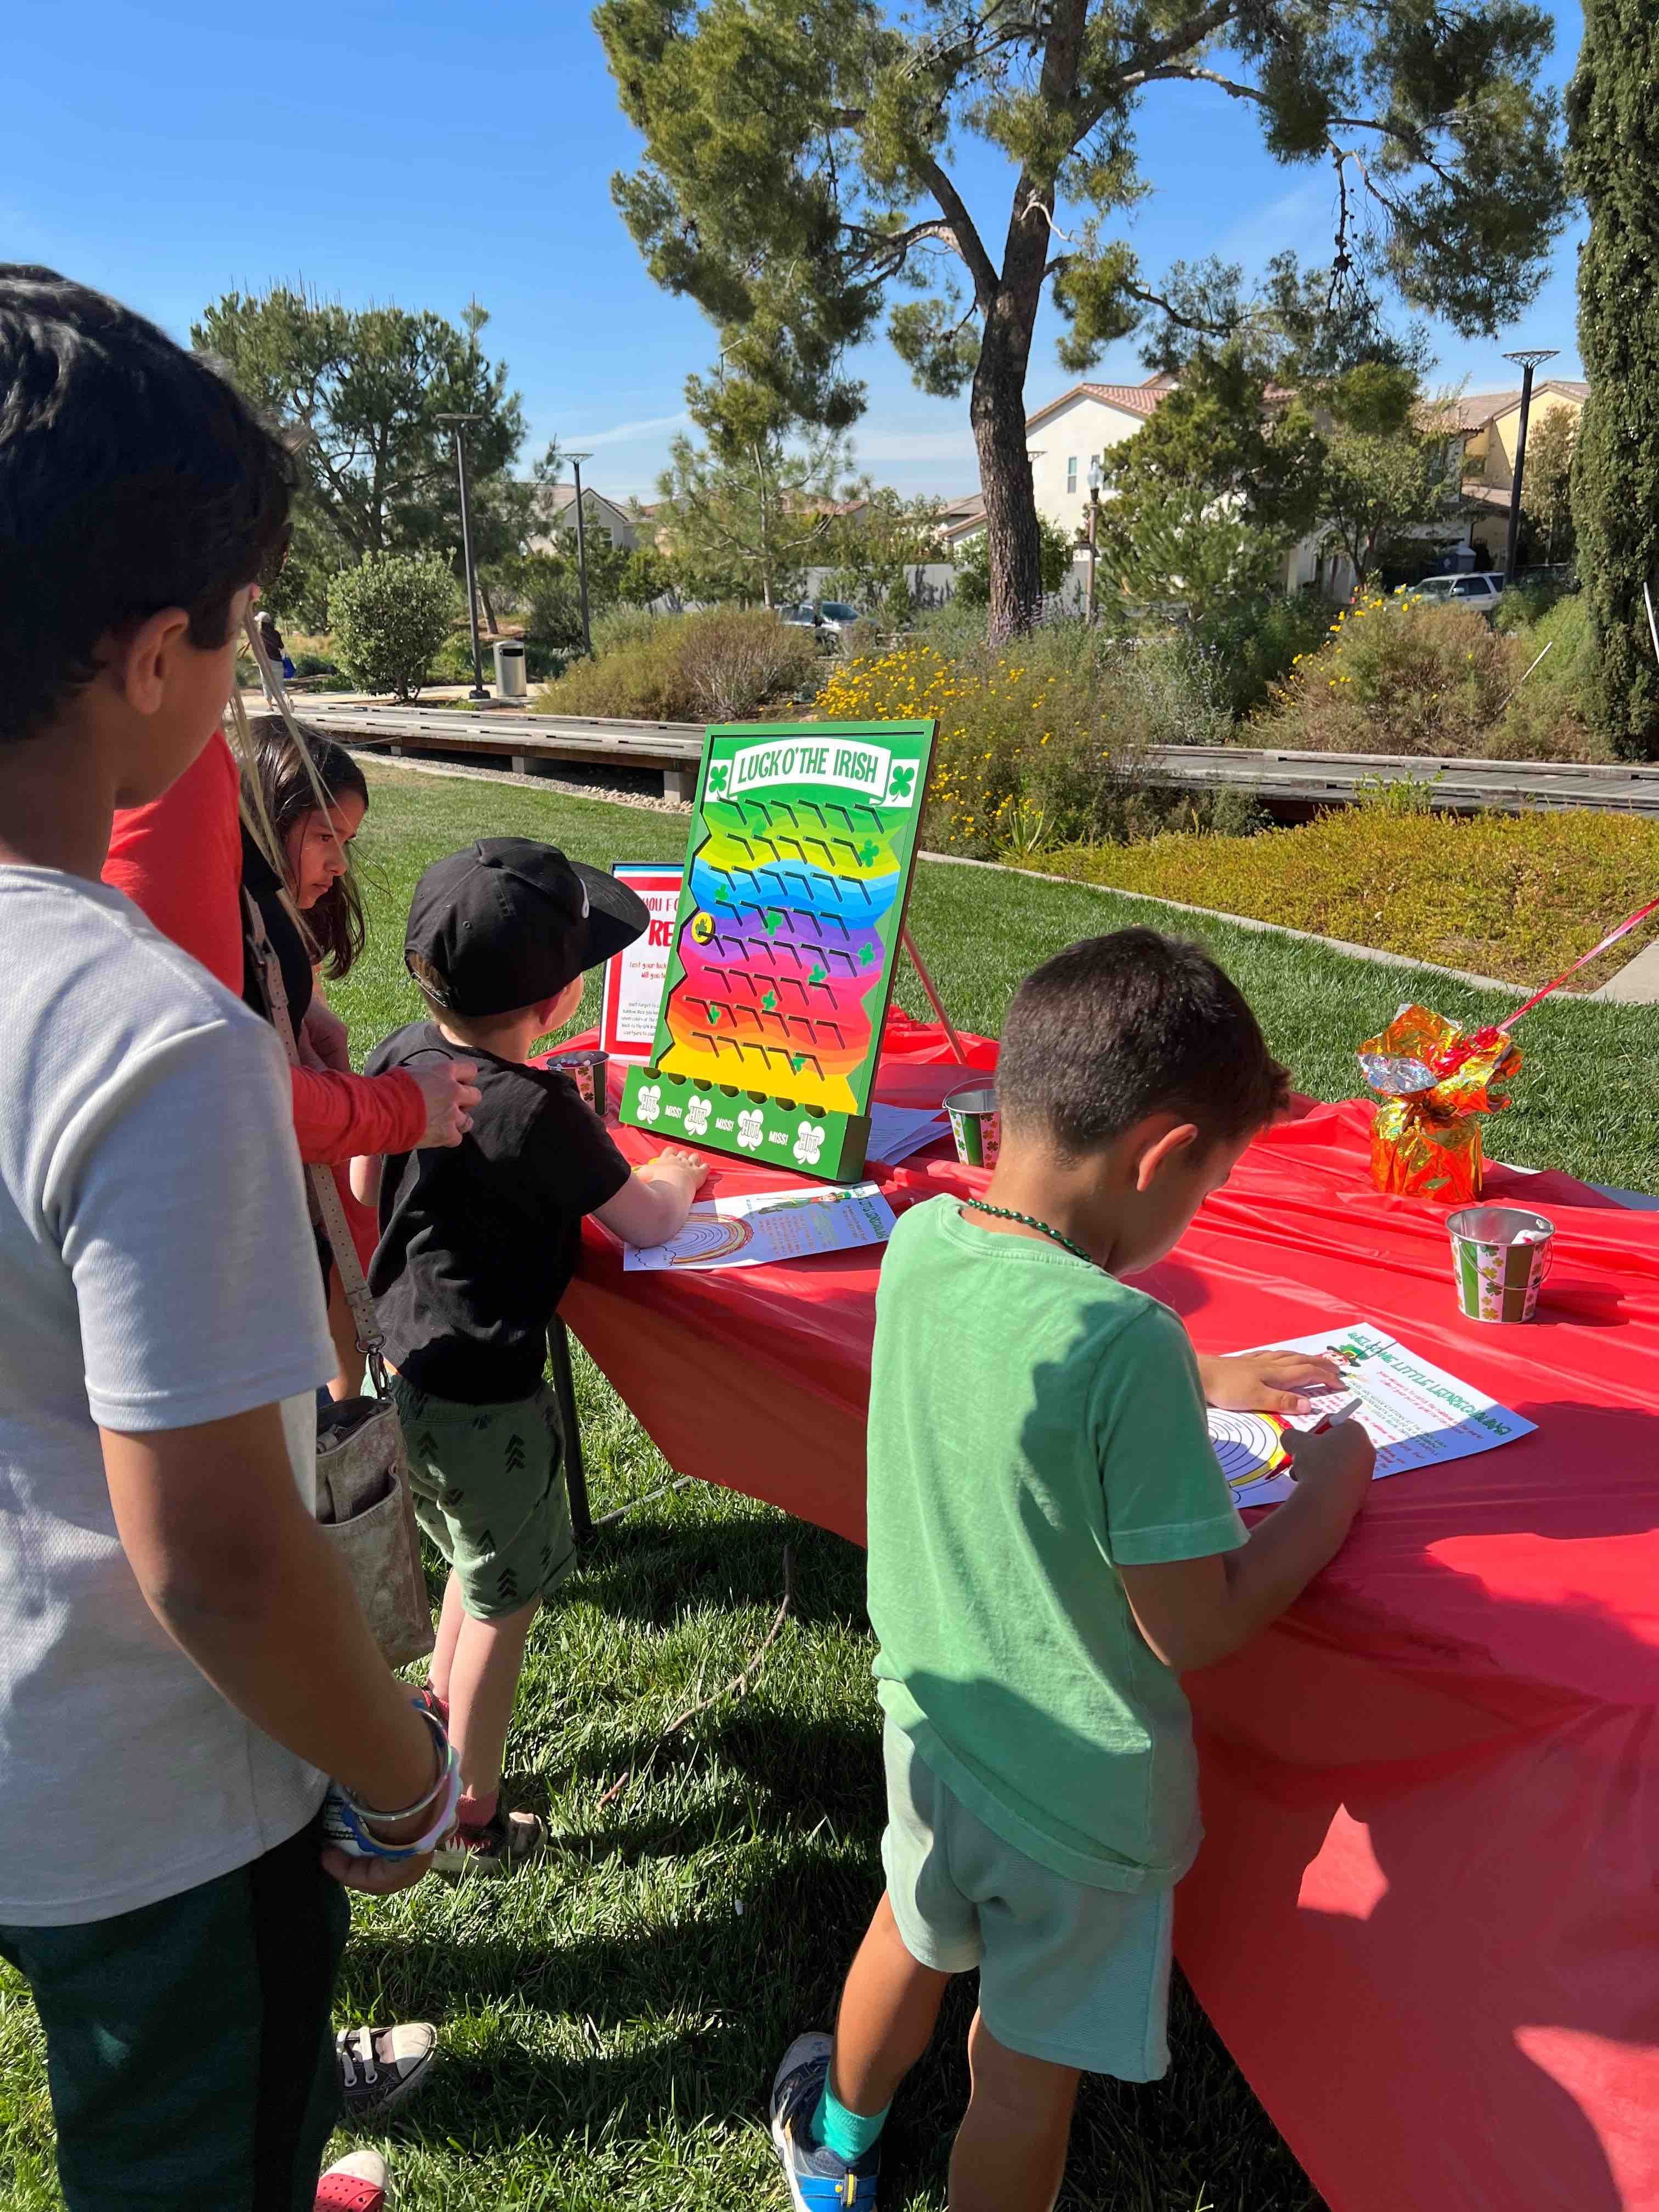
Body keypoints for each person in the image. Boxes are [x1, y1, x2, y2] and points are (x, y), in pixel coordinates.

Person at [0, 264, 450, 2210]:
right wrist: (406, 1770)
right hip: (154, 1812)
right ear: (156, 657)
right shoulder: (141, 1039)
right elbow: (227, 1566)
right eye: (247, 628)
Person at [769, 929, 1374, 2212]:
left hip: (934, 1725)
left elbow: (1020, 1356)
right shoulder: (1129, 1341)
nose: (1189, 1216)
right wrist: (1324, 1501)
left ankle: (832, 2149)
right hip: (1083, 1804)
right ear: (1160, 1154)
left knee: (911, 1930)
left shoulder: (927, 1243)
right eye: (1202, 1188)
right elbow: (1195, 1630)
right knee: (1025, 2083)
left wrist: (1200, 1378)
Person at [352, 839, 707, 1872]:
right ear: (555, 1005)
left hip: (405, 1376)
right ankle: (468, 1810)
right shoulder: (542, 1110)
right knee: (510, 1594)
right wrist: (679, 1176)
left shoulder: (401, 1050)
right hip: (487, 1396)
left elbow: (370, 1187)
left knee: (476, 1555)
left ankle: (437, 1732)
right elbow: (643, 1223)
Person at [104, 722, 482, 1400]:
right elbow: (235, 1094)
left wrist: (302, 1010)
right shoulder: (205, 890)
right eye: (323, 838)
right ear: (263, 819)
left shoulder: (252, 908)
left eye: (349, 843)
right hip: (221, 1262)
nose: (340, 865)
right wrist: (398, 1107)